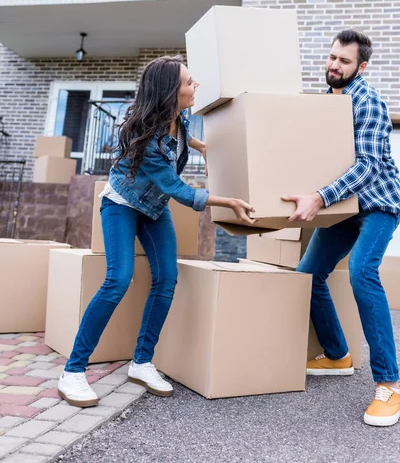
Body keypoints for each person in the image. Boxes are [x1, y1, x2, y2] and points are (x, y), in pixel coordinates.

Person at [58, 55, 254, 407]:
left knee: (167, 278)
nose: (195, 86)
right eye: (189, 82)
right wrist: (230, 202)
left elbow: (183, 138)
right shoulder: (143, 136)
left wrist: (201, 146)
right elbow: (176, 188)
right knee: (118, 279)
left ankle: (142, 361)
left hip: (153, 209)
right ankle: (73, 371)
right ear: (168, 92)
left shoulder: (181, 114)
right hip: (122, 203)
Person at [283, 29, 400, 427]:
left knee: (362, 272)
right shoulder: (327, 103)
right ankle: (337, 355)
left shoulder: (368, 101)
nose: (334, 65)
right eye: (332, 57)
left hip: (379, 204)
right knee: (308, 274)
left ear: (361, 66)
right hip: (344, 207)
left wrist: (318, 197)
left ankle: (390, 384)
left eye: (344, 61)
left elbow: (366, 166)